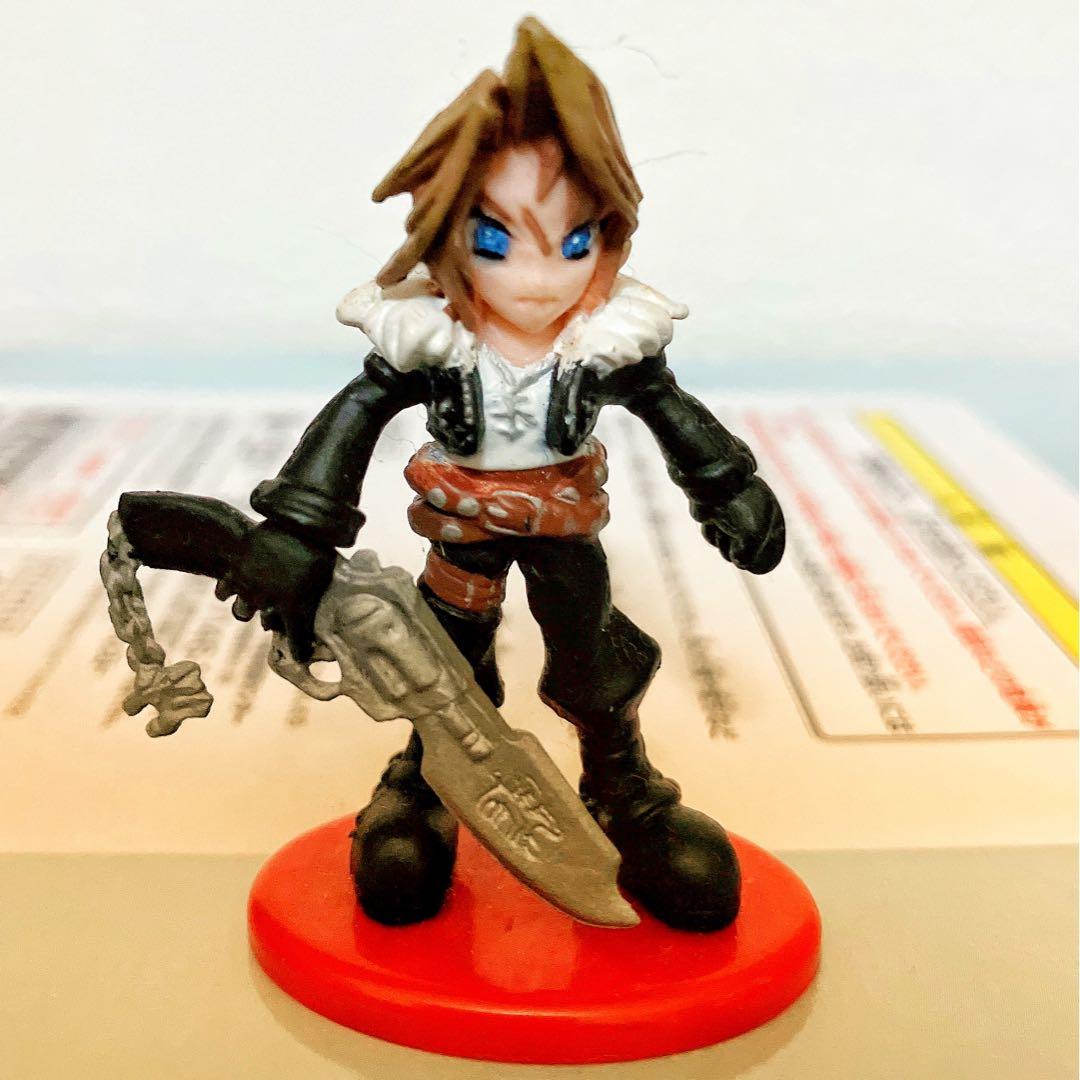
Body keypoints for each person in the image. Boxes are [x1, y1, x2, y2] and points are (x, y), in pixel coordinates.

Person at [216, 18, 784, 932]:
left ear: (610, 235)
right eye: (495, 238)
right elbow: (355, 417)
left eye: (571, 241)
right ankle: (426, 778)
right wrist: (298, 528)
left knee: (593, 660)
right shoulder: (433, 339)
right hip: (461, 534)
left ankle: (622, 786)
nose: (535, 277)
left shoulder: (601, 343)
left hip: (566, 530)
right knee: (441, 660)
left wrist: (728, 487)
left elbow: (667, 408)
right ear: (448, 233)